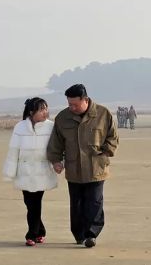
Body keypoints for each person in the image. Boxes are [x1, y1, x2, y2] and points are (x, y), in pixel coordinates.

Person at [47, 84, 119, 248]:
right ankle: (79, 235)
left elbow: (113, 137)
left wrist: (106, 151)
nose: (72, 107)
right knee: (77, 204)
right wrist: (56, 161)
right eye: (69, 104)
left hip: (96, 167)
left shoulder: (103, 114)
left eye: (75, 104)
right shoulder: (62, 118)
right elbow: (56, 142)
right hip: (74, 168)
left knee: (94, 202)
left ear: (85, 100)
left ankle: (91, 234)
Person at [2, 97, 57, 247]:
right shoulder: (20, 127)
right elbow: (14, 150)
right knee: (29, 203)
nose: (45, 112)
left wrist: (58, 163)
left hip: (41, 171)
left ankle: (31, 234)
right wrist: (10, 171)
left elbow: (56, 148)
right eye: (41, 109)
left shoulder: (51, 127)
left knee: (35, 203)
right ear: (32, 112)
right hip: (24, 171)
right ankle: (40, 231)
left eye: (46, 108)